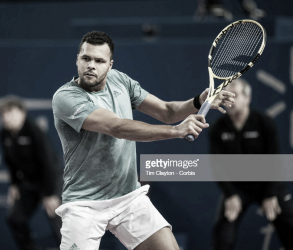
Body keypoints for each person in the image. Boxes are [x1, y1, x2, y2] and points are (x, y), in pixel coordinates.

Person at [52, 31, 235, 250]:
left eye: (99, 60)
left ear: (110, 65)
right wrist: (175, 131)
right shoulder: (65, 98)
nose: (91, 65)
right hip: (84, 204)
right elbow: (116, 127)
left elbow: (166, 111)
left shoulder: (120, 80)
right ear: (77, 60)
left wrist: (198, 101)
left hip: (128, 197)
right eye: (86, 58)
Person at [209, 78, 293, 250]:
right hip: (237, 189)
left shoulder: (265, 123)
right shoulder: (217, 128)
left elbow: (274, 160)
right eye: (226, 97)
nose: (230, 101)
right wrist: (230, 195)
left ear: (247, 98)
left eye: (235, 95)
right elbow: (217, 166)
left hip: (268, 185)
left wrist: (269, 194)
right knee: (223, 236)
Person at [0, 96, 63, 250]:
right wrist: (14, 185)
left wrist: (50, 194)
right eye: (3, 114)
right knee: (15, 219)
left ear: (22, 113)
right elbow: (11, 163)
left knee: (56, 221)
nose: (6, 118)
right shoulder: (4, 134)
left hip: (51, 181)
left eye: (11, 113)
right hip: (28, 184)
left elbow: (48, 164)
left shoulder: (34, 131)